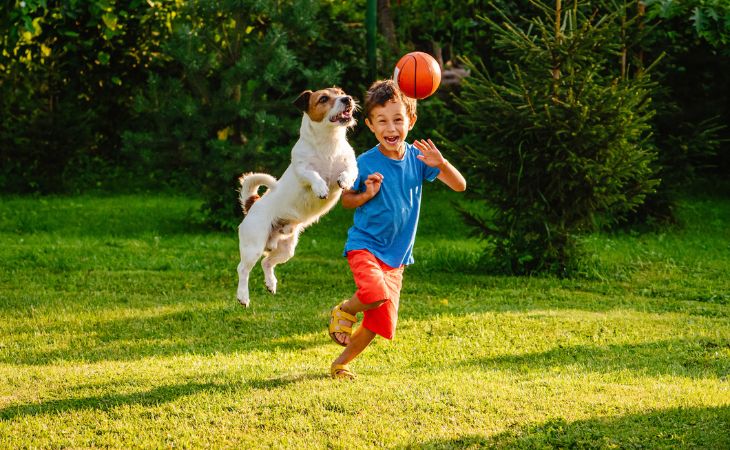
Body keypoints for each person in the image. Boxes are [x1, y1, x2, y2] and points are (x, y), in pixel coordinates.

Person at [327, 79, 467, 379]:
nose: (391, 128)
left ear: (411, 121)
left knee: (380, 324)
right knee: (373, 293)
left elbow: (459, 185)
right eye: (382, 121)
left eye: (398, 120)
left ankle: (341, 363)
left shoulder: (420, 159)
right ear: (370, 125)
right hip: (365, 245)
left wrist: (441, 163)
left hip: (396, 258)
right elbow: (346, 201)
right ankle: (345, 310)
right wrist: (366, 194)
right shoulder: (363, 162)